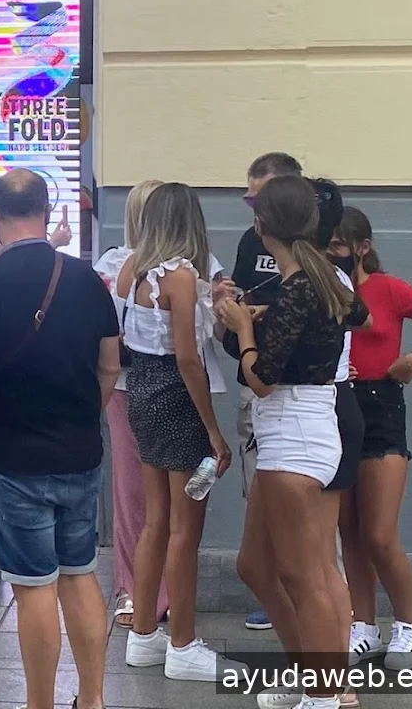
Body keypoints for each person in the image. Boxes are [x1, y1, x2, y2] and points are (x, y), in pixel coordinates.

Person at [0, 169, 122, 709]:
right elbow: (110, 364)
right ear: (47, 213)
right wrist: (84, 414)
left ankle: (39, 703)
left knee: (33, 587)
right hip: (79, 453)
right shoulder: (87, 279)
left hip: (11, 457)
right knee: (80, 576)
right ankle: (92, 699)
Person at [218, 176, 369, 709]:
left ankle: (325, 695)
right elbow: (353, 317)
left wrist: (243, 327)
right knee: (261, 566)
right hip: (306, 428)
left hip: (294, 435)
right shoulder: (318, 281)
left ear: (261, 227)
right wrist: (260, 317)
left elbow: (262, 378)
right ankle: (317, 681)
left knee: (307, 577)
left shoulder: (300, 286)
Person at [117, 183, 230, 682]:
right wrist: (213, 430)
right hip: (177, 400)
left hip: (141, 393)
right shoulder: (180, 276)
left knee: (156, 522)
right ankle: (182, 644)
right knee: (186, 529)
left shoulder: (131, 268)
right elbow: (188, 359)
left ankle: (143, 635)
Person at [331, 207, 412, 673]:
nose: (331, 253)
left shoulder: (389, 289)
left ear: (362, 247)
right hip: (338, 405)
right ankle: (363, 624)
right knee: (349, 529)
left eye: (339, 245)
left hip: (381, 406)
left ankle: (409, 623)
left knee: (379, 533)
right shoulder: (325, 288)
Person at [221, 151, 302, 633]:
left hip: (294, 389)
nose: (253, 211)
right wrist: (228, 310)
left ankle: (322, 606)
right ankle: (274, 594)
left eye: (260, 199)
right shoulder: (250, 241)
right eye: (248, 199)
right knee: (259, 497)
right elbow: (242, 302)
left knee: (310, 510)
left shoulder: (314, 253)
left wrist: (253, 320)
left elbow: (343, 311)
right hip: (255, 384)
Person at [93, 180, 168, 628]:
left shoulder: (195, 264)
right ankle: (134, 587)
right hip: (135, 385)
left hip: (158, 387)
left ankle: (157, 588)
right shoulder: (113, 264)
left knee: (161, 494)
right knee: (135, 490)